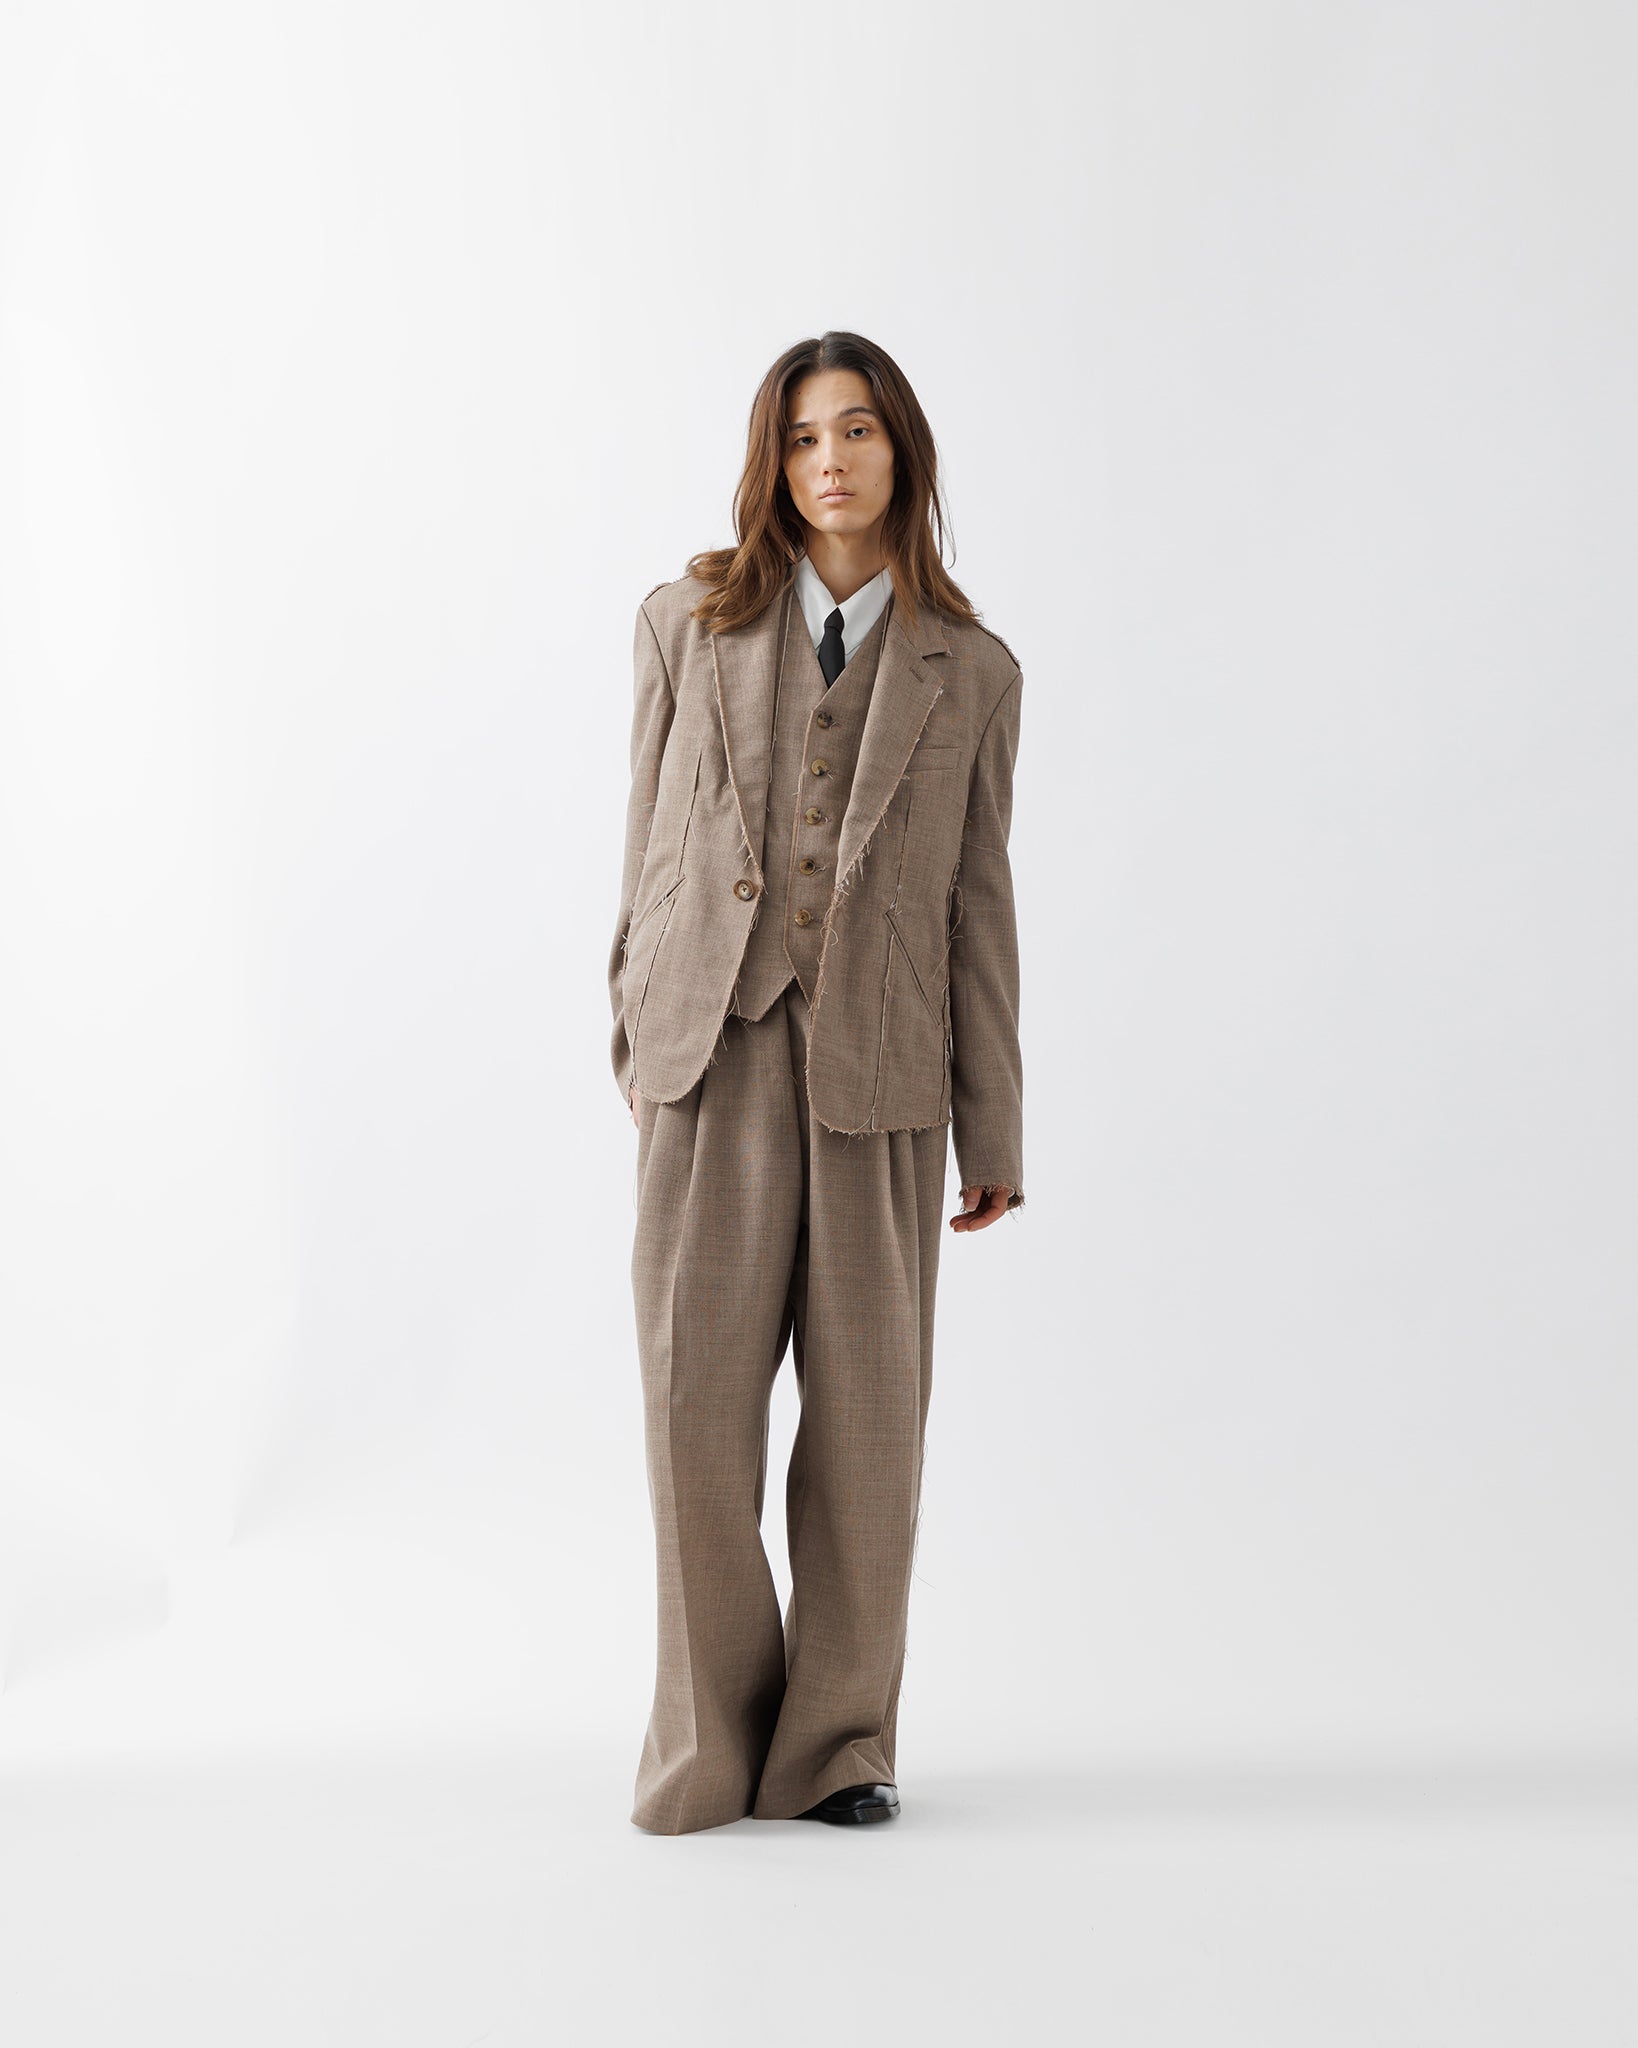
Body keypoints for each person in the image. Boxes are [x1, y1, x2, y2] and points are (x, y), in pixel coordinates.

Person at [607, 330, 1026, 1835]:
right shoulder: (684, 622)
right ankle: (707, 1746)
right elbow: (646, 834)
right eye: (800, 437)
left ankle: (838, 1746)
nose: (828, 460)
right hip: (708, 1052)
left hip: (882, 1072)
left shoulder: (973, 670)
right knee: (693, 1410)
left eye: (856, 431)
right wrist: (633, 1027)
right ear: (770, 461)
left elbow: (980, 901)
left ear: (901, 451)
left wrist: (994, 1124)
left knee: (868, 1428)